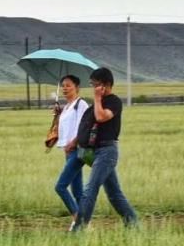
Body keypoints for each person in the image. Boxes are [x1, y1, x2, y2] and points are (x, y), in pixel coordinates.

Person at [70, 67, 138, 232]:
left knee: (90, 190)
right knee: (114, 195)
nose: (94, 88)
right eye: (92, 85)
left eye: (97, 84)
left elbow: (101, 117)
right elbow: (89, 125)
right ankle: (134, 226)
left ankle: (78, 230)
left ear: (107, 84)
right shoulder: (97, 103)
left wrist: (97, 99)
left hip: (108, 151)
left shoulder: (114, 102)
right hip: (97, 152)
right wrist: (74, 142)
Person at [52, 74, 90, 220]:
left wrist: (72, 143)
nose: (65, 88)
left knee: (60, 187)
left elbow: (84, 127)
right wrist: (57, 115)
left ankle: (78, 221)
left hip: (77, 151)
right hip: (68, 152)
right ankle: (86, 225)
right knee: (78, 192)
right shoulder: (66, 107)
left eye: (68, 85)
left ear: (77, 88)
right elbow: (62, 130)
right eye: (63, 85)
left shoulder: (81, 104)